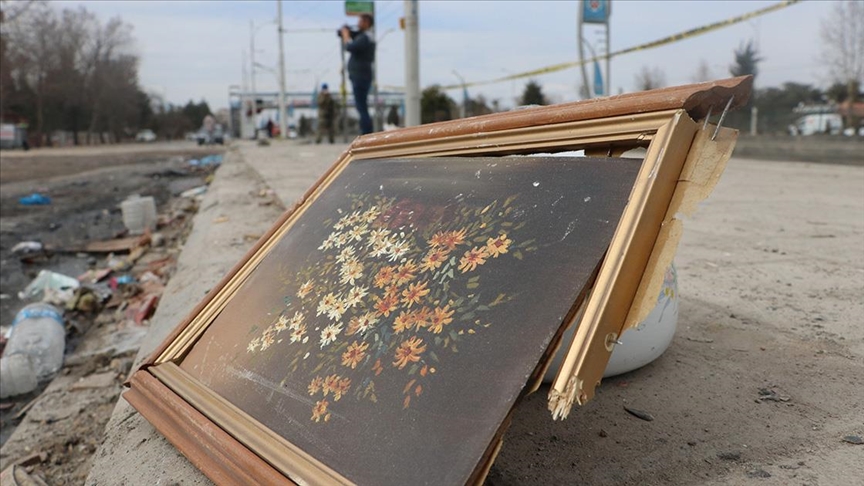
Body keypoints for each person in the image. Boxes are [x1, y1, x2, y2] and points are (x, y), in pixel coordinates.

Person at [341, 14, 375, 135]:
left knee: (361, 106)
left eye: (360, 21)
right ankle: (366, 132)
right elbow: (355, 37)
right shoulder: (365, 36)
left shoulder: (365, 37)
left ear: (366, 22)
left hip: (360, 76)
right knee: (362, 105)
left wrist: (346, 36)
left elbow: (350, 47)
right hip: (362, 75)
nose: (358, 23)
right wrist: (347, 32)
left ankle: (366, 133)